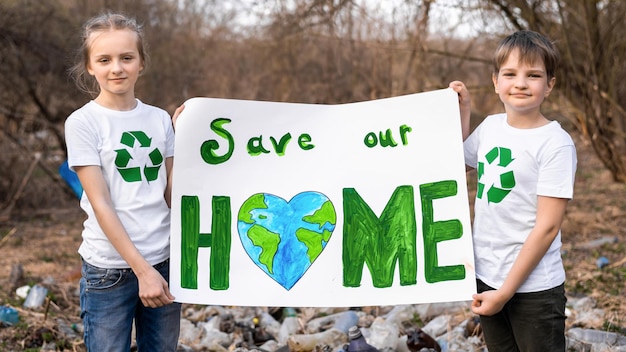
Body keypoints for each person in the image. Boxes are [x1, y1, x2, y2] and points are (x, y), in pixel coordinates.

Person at [449, 30, 577, 351]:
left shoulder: (555, 143)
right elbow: (457, 163)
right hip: (487, 275)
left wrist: (506, 292)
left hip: (533, 288)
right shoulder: (491, 127)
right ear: (496, 82)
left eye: (533, 75)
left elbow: (547, 227)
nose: (520, 83)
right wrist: (463, 110)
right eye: (510, 74)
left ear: (549, 84)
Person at [65, 13, 184, 351]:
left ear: (141, 63)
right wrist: (142, 270)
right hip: (109, 269)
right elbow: (101, 204)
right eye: (104, 59)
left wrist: (184, 140)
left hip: (164, 259)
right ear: (90, 66)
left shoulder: (160, 119)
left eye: (126, 57)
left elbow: (171, 196)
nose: (116, 68)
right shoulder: (83, 123)